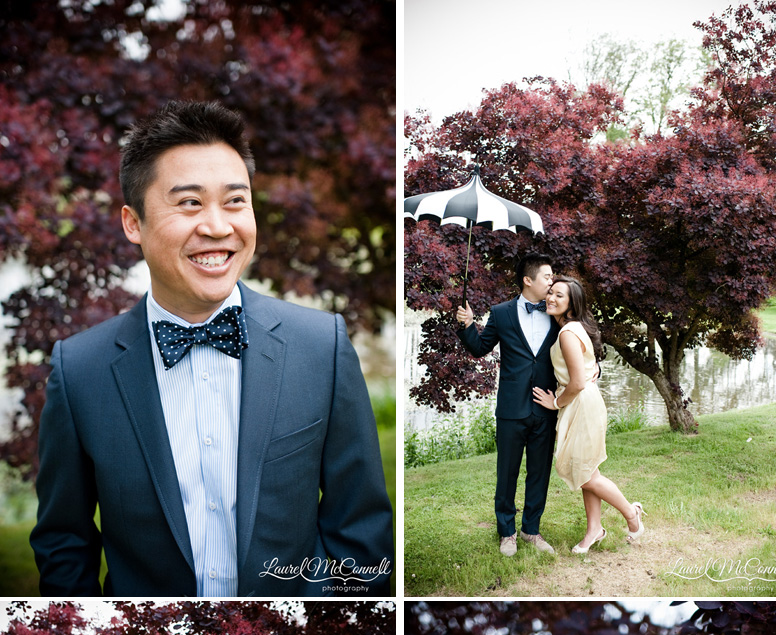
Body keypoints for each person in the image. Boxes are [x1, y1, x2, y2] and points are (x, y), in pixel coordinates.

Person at [31, 100, 393, 598]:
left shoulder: (320, 346)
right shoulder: (79, 370)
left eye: (235, 201)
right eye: (189, 203)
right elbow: (64, 542)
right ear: (132, 223)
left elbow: (362, 531)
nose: (218, 227)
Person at [456, 253, 561, 558]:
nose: (551, 281)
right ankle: (506, 532)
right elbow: (479, 348)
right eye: (547, 276)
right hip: (511, 409)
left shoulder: (557, 312)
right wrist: (468, 324)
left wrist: (593, 370)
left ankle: (531, 529)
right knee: (507, 474)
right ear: (528, 280)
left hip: (546, 406)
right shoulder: (500, 313)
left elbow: (580, 345)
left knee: (539, 473)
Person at [533, 277, 645, 555]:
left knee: (586, 474)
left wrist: (556, 402)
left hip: (581, 404)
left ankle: (631, 515)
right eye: (550, 293)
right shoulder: (574, 328)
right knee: (586, 471)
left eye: (560, 295)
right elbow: (588, 368)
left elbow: (578, 382)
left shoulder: (568, 333)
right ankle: (594, 529)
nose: (551, 298)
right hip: (584, 403)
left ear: (572, 304)